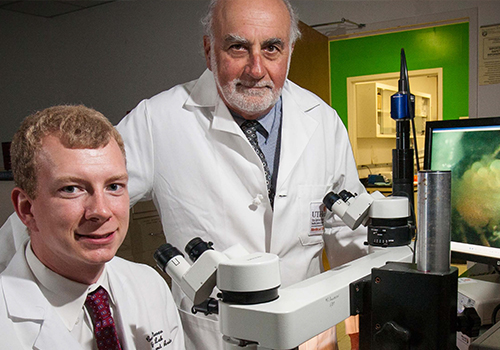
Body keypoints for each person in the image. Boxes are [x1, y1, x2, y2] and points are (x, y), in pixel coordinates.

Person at [0, 0, 367, 348]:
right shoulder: (159, 120)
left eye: (272, 48)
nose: (256, 69)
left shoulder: (321, 121)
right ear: (209, 50)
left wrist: (371, 308)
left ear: (289, 51)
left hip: (306, 333)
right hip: (212, 337)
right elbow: (64, 198)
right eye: (237, 48)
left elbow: (349, 236)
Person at [0, 105, 185, 350]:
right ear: (26, 209)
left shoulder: (150, 285)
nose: (101, 211)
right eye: (71, 189)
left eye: (114, 186)